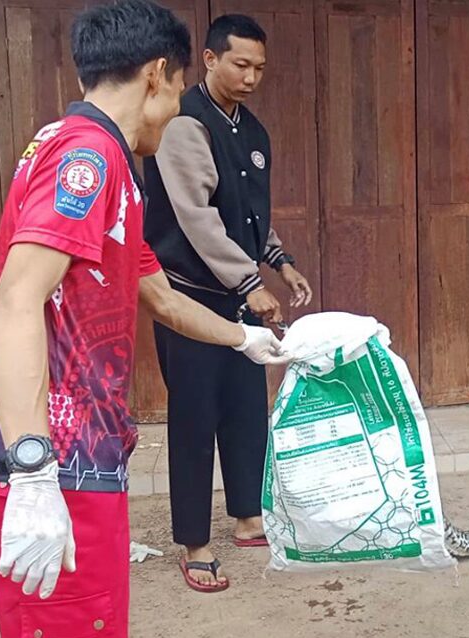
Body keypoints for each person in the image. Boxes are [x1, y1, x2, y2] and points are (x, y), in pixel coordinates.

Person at [0, 1, 292, 638]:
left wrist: (242, 339)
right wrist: (32, 471)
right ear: (156, 75)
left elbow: (159, 293)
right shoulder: (87, 156)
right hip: (54, 459)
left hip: (85, 454)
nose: (175, 114)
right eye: (176, 94)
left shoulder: (112, 163)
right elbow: (15, 300)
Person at [141, 13, 312, 592]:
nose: (250, 77)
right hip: (190, 297)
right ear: (211, 59)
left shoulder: (253, 132)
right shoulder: (183, 125)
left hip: (237, 297)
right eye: (240, 64)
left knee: (244, 409)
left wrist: (281, 263)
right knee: (194, 417)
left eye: (260, 68)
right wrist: (248, 283)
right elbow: (196, 217)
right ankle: (195, 541)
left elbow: (247, 215)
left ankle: (247, 517)